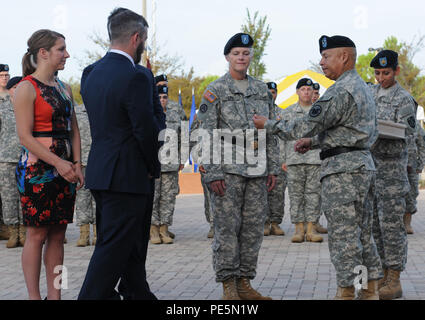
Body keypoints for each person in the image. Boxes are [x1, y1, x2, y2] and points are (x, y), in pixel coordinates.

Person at [253, 35, 382, 300]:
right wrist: (313, 143)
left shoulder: (339, 91)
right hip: (361, 165)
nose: (321, 63)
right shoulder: (362, 88)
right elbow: (349, 130)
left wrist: (267, 124)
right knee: (362, 233)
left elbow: (301, 125)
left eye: (326, 57)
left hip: (343, 172)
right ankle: (368, 291)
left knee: (345, 236)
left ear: (344, 57)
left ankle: (348, 292)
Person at [78, 8, 161, 300]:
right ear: (136, 38)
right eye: (145, 41)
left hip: (102, 173)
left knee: (131, 247)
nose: (144, 47)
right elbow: (146, 129)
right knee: (112, 250)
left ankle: (138, 293)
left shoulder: (90, 73)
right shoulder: (135, 76)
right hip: (129, 175)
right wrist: (153, 166)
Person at [196, 33, 280, 300]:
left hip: (257, 170)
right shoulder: (215, 90)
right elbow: (205, 132)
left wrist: (273, 167)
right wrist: (212, 172)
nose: (241, 58)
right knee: (227, 228)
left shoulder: (261, 90)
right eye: (236, 54)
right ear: (227, 57)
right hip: (228, 172)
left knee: (253, 228)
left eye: (246, 53)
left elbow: (271, 129)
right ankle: (228, 285)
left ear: (251, 57)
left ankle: (244, 281)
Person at [13, 29, 84, 300]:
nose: (66, 54)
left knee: (59, 236)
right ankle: (34, 296)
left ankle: (56, 295)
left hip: (66, 171)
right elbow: (24, 136)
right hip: (36, 171)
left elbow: (74, 129)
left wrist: (77, 164)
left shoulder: (64, 88)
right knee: (36, 236)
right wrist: (59, 163)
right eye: (61, 49)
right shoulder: (26, 88)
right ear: (43, 53)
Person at [369, 50, 417, 300]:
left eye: (386, 73)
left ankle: (394, 278)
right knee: (375, 227)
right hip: (372, 171)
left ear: (396, 71)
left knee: (391, 228)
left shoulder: (404, 99)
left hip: (392, 173)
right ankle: (381, 274)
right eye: (377, 73)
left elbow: (407, 136)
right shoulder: (371, 94)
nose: (381, 78)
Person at [280, 78, 323, 243]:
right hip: (294, 160)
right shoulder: (288, 112)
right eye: (303, 89)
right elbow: (281, 137)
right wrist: (282, 159)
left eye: (309, 89)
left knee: (313, 195)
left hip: (315, 160)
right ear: (297, 92)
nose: (306, 92)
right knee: (296, 195)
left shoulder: (319, 112)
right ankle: (299, 229)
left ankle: (311, 229)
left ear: (313, 93)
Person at [150, 85, 184, 244]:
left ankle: (164, 228)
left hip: (171, 164)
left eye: (164, 97)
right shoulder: (149, 112)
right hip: (153, 163)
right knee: (153, 197)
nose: (162, 100)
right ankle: (153, 230)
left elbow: (183, 136)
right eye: (159, 97)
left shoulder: (176, 113)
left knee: (168, 197)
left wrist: (182, 158)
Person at [1, 75, 25, 248]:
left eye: (20, 87)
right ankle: (12, 231)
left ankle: (24, 231)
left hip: (26, 157)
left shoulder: (28, 108)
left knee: (24, 195)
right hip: (6, 158)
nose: (17, 90)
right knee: (8, 197)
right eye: (14, 87)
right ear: (9, 90)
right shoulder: (2, 109)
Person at [263, 81, 286, 237]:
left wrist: (285, 159)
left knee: (278, 193)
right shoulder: (258, 113)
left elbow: (287, 137)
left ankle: (275, 223)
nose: (272, 94)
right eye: (269, 91)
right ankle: (264, 222)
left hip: (279, 160)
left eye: (274, 91)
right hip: (260, 160)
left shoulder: (282, 114)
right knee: (261, 193)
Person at [74, 102, 96, 247]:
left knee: (98, 199)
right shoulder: (75, 112)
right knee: (82, 199)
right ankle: (84, 233)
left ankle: (98, 232)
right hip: (80, 162)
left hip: (98, 161)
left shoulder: (102, 108)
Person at [404, 120, 425, 234]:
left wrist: (420, 164)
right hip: (395, 166)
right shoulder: (395, 122)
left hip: (412, 167)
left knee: (411, 194)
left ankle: (407, 223)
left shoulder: (415, 125)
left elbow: (422, 146)